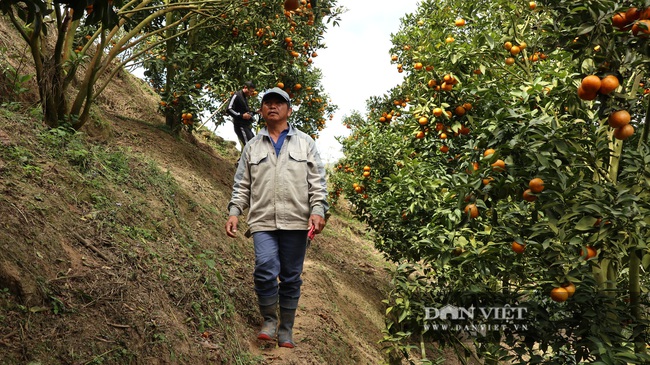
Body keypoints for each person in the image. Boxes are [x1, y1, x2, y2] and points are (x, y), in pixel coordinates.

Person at [225, 87, 328, 348]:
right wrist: (235, 211)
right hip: (262, 221)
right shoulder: (251, 146)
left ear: (289, 110)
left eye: (279, 103)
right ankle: (269, 320)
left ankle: (286, 328)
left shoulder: (306, 143)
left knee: (291, 276)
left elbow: (318, 182)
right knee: (264, 269)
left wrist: (318, 209)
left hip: (296, 220)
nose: (273, 106)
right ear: (261, 111)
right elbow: (242, 184)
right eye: (267, 103)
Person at [226, 81, 257, 150]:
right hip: (240, 126)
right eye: (251, 91)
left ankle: (243, 160)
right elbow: (229, 109)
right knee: (250, 146)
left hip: (246, 126)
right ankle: (246, 160)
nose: (251, 94)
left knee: (254, 143)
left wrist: (255, 112)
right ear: (245, 88)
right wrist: (241, 116)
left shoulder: (245, 98)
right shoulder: (237, 95)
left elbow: (246, 113)